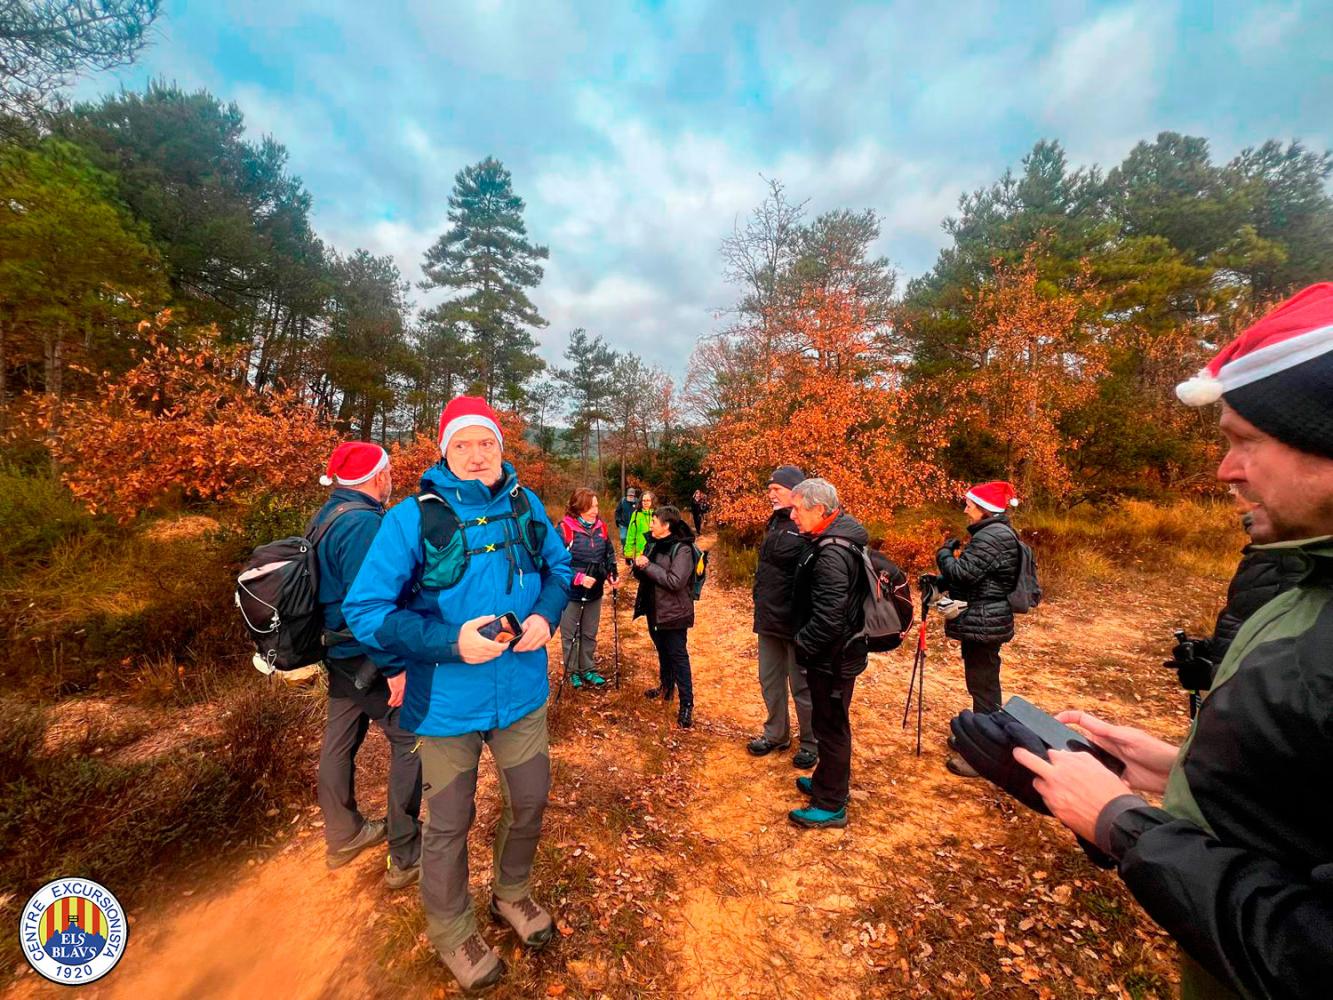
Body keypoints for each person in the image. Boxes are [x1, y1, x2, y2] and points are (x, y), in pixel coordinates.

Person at [1000, 283, 1333, 999]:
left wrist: (1123, 826)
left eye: (1245, 440)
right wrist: (1184, 769)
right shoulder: (1306, 585)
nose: (1224, 470)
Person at [343, 396, 572, 994]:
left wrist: (547, 615)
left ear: (501, 448)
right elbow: (365, 610)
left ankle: (511, 894)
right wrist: (451, 642)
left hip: (521, 693)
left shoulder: (526, 504)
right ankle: (452, 932)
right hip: (445, 704)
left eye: (486, 442)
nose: (476, 455)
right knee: (448, 823)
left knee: (530, 800)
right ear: (444, 452)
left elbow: (559, 568)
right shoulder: (409, 519)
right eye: (462, 444)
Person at [312, 441, 423, 889]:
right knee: (411, 740)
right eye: (389, 471)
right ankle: (406, 854)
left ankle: (343, 835)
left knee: (339, 741)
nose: (391, 478)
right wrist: (393, 666)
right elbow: (369, 605)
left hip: (337, 651)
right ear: (378, 476)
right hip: (366, 654)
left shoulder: (327, 515)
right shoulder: (364, 524)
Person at [786, 478, 869, 829]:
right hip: (837, 653)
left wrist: (802, 644)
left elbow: (829, 618)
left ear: (819, 510)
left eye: (797, 509)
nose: (792, 515)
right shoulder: (834, 537)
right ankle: (827, 782)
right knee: (828, 723)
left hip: (832, 657)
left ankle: (831, 804)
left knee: (831, 727)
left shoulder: (832, 553)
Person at [1168, 493, 1307, 689]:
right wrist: (1209, 649)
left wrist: (1216, 675)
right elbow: (1247, 625)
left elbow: (1300, 665)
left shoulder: (1302, 566)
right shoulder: (1261, 557)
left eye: (1247, 492)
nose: (1239, 509)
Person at [934, 481, 1023, 778]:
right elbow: (976, 577)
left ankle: (984, 754)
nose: (965, 509)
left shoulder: (992, 536)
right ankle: (979, 738)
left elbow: (962, 573)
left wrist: (944, 554)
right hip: (985, 617)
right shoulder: (993, 533)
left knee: (983, 686)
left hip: (986, 619)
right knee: (982, 682)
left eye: (969, 505)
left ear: (985, 509)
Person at [747, 465, 818, 769]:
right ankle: (776, 734)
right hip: (769, 618)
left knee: (802, 686)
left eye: (777, 489)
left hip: (796, 622)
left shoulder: (807, 524)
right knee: (770, 680)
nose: (771, 494)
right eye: (770, 489)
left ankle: (811, 743)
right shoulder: (775, 522)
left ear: (795, 491)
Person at [631, 504, 697, 729]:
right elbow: (644, 574)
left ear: (666, 525)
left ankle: (686, 705)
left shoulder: (683, 549)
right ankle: (666, 688)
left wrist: (648, 565)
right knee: (662, 650)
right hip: (655, 610)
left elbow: (675, 581)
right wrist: (639, 565)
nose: (650, 525)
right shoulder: (653, 542)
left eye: (654, 522)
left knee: (678, 656)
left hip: (674, 613)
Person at [558, 487, 620, 689]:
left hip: (595, 591)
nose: (595, 511)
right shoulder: (564, 529)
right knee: (571, 635)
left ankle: (588, 668)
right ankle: (572, 672)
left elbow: (608, 555)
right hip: (571, 593)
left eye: (596, 506)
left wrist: (612, 574)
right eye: (590, 507)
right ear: (578, 508)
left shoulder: (601, 528)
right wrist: (577, 578)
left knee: (589, 633)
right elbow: (555, 563)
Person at [624, 489, 656, 566]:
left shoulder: (657, 514)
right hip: (640, 554)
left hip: (655, 552)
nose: (645, 502)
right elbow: (630, 534)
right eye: (643, 500)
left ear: (652, 501)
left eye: (648, 500)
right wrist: (628, 554)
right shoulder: (636, 514)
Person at [614, 487, 639, 552]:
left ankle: (630, 550)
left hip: (633, 524)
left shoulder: (637, 502)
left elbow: (640, 512)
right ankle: (624, 548)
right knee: (623, 538)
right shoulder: (623, 501)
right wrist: (618, 520)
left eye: (632, 495)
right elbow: (617, 511)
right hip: (623, 524)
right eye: (629, 495)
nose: (630, 496)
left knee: (633, 539)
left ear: (634, 496)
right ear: (627, 495)